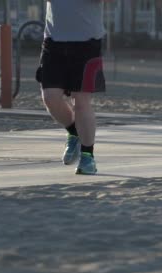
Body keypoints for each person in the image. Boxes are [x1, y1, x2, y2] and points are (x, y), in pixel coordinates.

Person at [36, 0, 112, 175]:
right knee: (50, 97)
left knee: (81, 101)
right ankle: (73, 131)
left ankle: (88, 157)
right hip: (54, 41)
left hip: (87, 42)